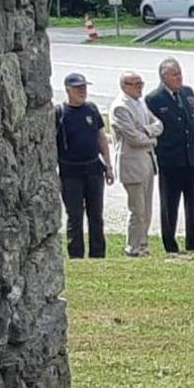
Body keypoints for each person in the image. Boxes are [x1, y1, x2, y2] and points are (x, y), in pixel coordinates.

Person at [145, 59, 194, 254]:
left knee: (192, 201)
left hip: (190, 156)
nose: (179, 77)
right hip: (170, 159)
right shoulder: (154, 99)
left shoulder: (188, 93)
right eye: (174, 74)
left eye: (180, 73)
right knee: (170, 203)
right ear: (163, 77)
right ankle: (170, 243)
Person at [54, 73, 113, 259]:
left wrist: (108, 165)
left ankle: (98, 253)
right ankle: (76, 254)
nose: (82, 91)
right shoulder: (60, 113)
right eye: (78, 88)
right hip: (70, 172)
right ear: (68, 90)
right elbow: (52, 146)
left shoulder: (92, 110)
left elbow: (101, 137)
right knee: (75, 216)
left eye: (84, 88)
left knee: (96, 215)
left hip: (93, 169)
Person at [110, 71, 165, 257]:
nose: (139, 87)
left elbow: (158, 124)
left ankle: (143, 243)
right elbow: (133, 138)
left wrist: (146, 130)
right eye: (135, 84)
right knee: (137, 209)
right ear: (124, 86)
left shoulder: (140, 103)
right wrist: (151, 139)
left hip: (147, 162)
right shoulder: (120, 107)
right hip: (131, 164)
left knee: (147, 208)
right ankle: (132, 246)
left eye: (141, 83)